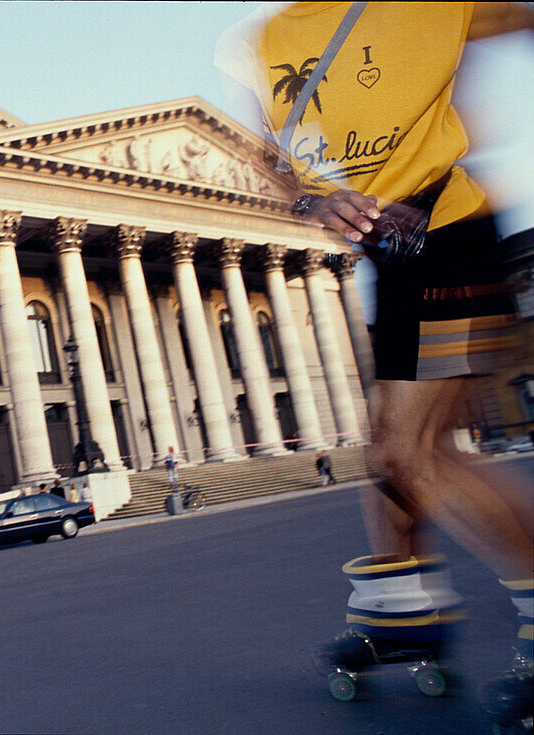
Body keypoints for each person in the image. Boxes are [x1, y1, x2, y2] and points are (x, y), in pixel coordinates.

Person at [218, 3, 534, 724]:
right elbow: (268, 153)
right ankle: (401, 613)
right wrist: (311, 200)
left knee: (411, 450)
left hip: (450, 230)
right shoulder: (266, 40)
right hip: (390, 260)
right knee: (394, 447)